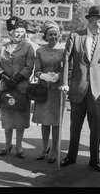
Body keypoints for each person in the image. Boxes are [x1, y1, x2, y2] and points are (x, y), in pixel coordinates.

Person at [59, 5, 100, 172]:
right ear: (90, 21)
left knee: (97, 127)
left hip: (97, 91)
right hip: (78, 88)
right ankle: (71, 156)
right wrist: (64, 82)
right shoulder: (75, 36)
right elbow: (66, 60)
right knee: (75, 126)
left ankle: (94, 159)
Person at [0, 16, 35, 158]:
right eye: (16, 31)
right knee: (7, 117)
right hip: (6, 86)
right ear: (10, 32)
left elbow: (30, 66)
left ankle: (19, 146)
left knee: (20, 117)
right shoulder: (3, 47)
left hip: (21, 86)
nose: (19, 34)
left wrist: (17, 79)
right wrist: (4, 77)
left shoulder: (28, 47)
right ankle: (7, 144)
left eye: (21, 31)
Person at [32, 20, 64, 163]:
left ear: (59, 35)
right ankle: (44, 148)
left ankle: (55, 149)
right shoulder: (40, 51)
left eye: (55, 34)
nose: (53, 37)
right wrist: (42, 76)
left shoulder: (64, 50)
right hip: (44, 90)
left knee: (56, 122)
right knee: (45, 121)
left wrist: (59, 76)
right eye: (50, 35)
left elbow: (68, 69)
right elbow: (36, 71)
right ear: (46, 36)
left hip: (57, 91)